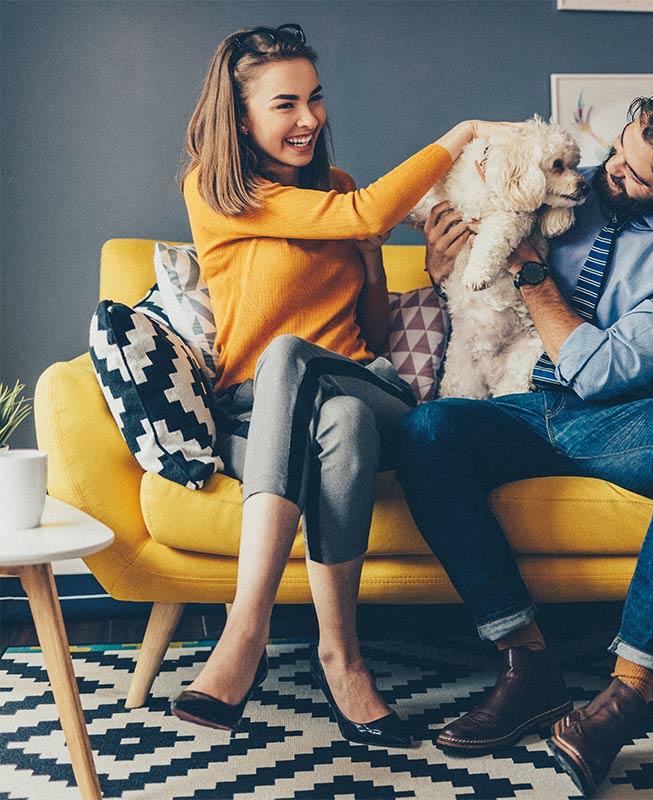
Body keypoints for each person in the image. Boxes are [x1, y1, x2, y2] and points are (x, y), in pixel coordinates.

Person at [394, 86, 653, 793]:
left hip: (611, 420)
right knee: (426, 429)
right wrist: (444, 264)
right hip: (518, 402)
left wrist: (528, 269)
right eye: (618, 147)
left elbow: (600, 371)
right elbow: (468, 240)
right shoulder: (567, 184)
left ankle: (626, 694)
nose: (604, 172)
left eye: (632, 173)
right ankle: (527, 667)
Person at [167, 23, 510, 748]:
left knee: (302, 361)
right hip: (260, 415)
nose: (309, 119)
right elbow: (367, 215)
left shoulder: (341, 190)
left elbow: (374, 327)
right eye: (286, 104)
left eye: (316, 99)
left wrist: (392, 267)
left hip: (372, 380)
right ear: (240, 117)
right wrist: (462, 134)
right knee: (337, 419)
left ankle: (244, 632)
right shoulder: (215, 191)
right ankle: (342, 658)